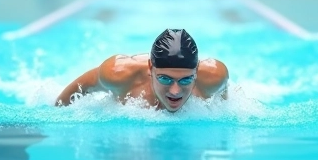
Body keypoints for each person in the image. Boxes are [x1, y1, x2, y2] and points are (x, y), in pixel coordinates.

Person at [56, 29, 228, 113]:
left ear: (196, 71)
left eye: (185, 80)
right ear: (150, 67)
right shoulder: (117, 73)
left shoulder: (215, 77)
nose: (175, 91)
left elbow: (225, 105)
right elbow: (75, 91)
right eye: (165, 79)